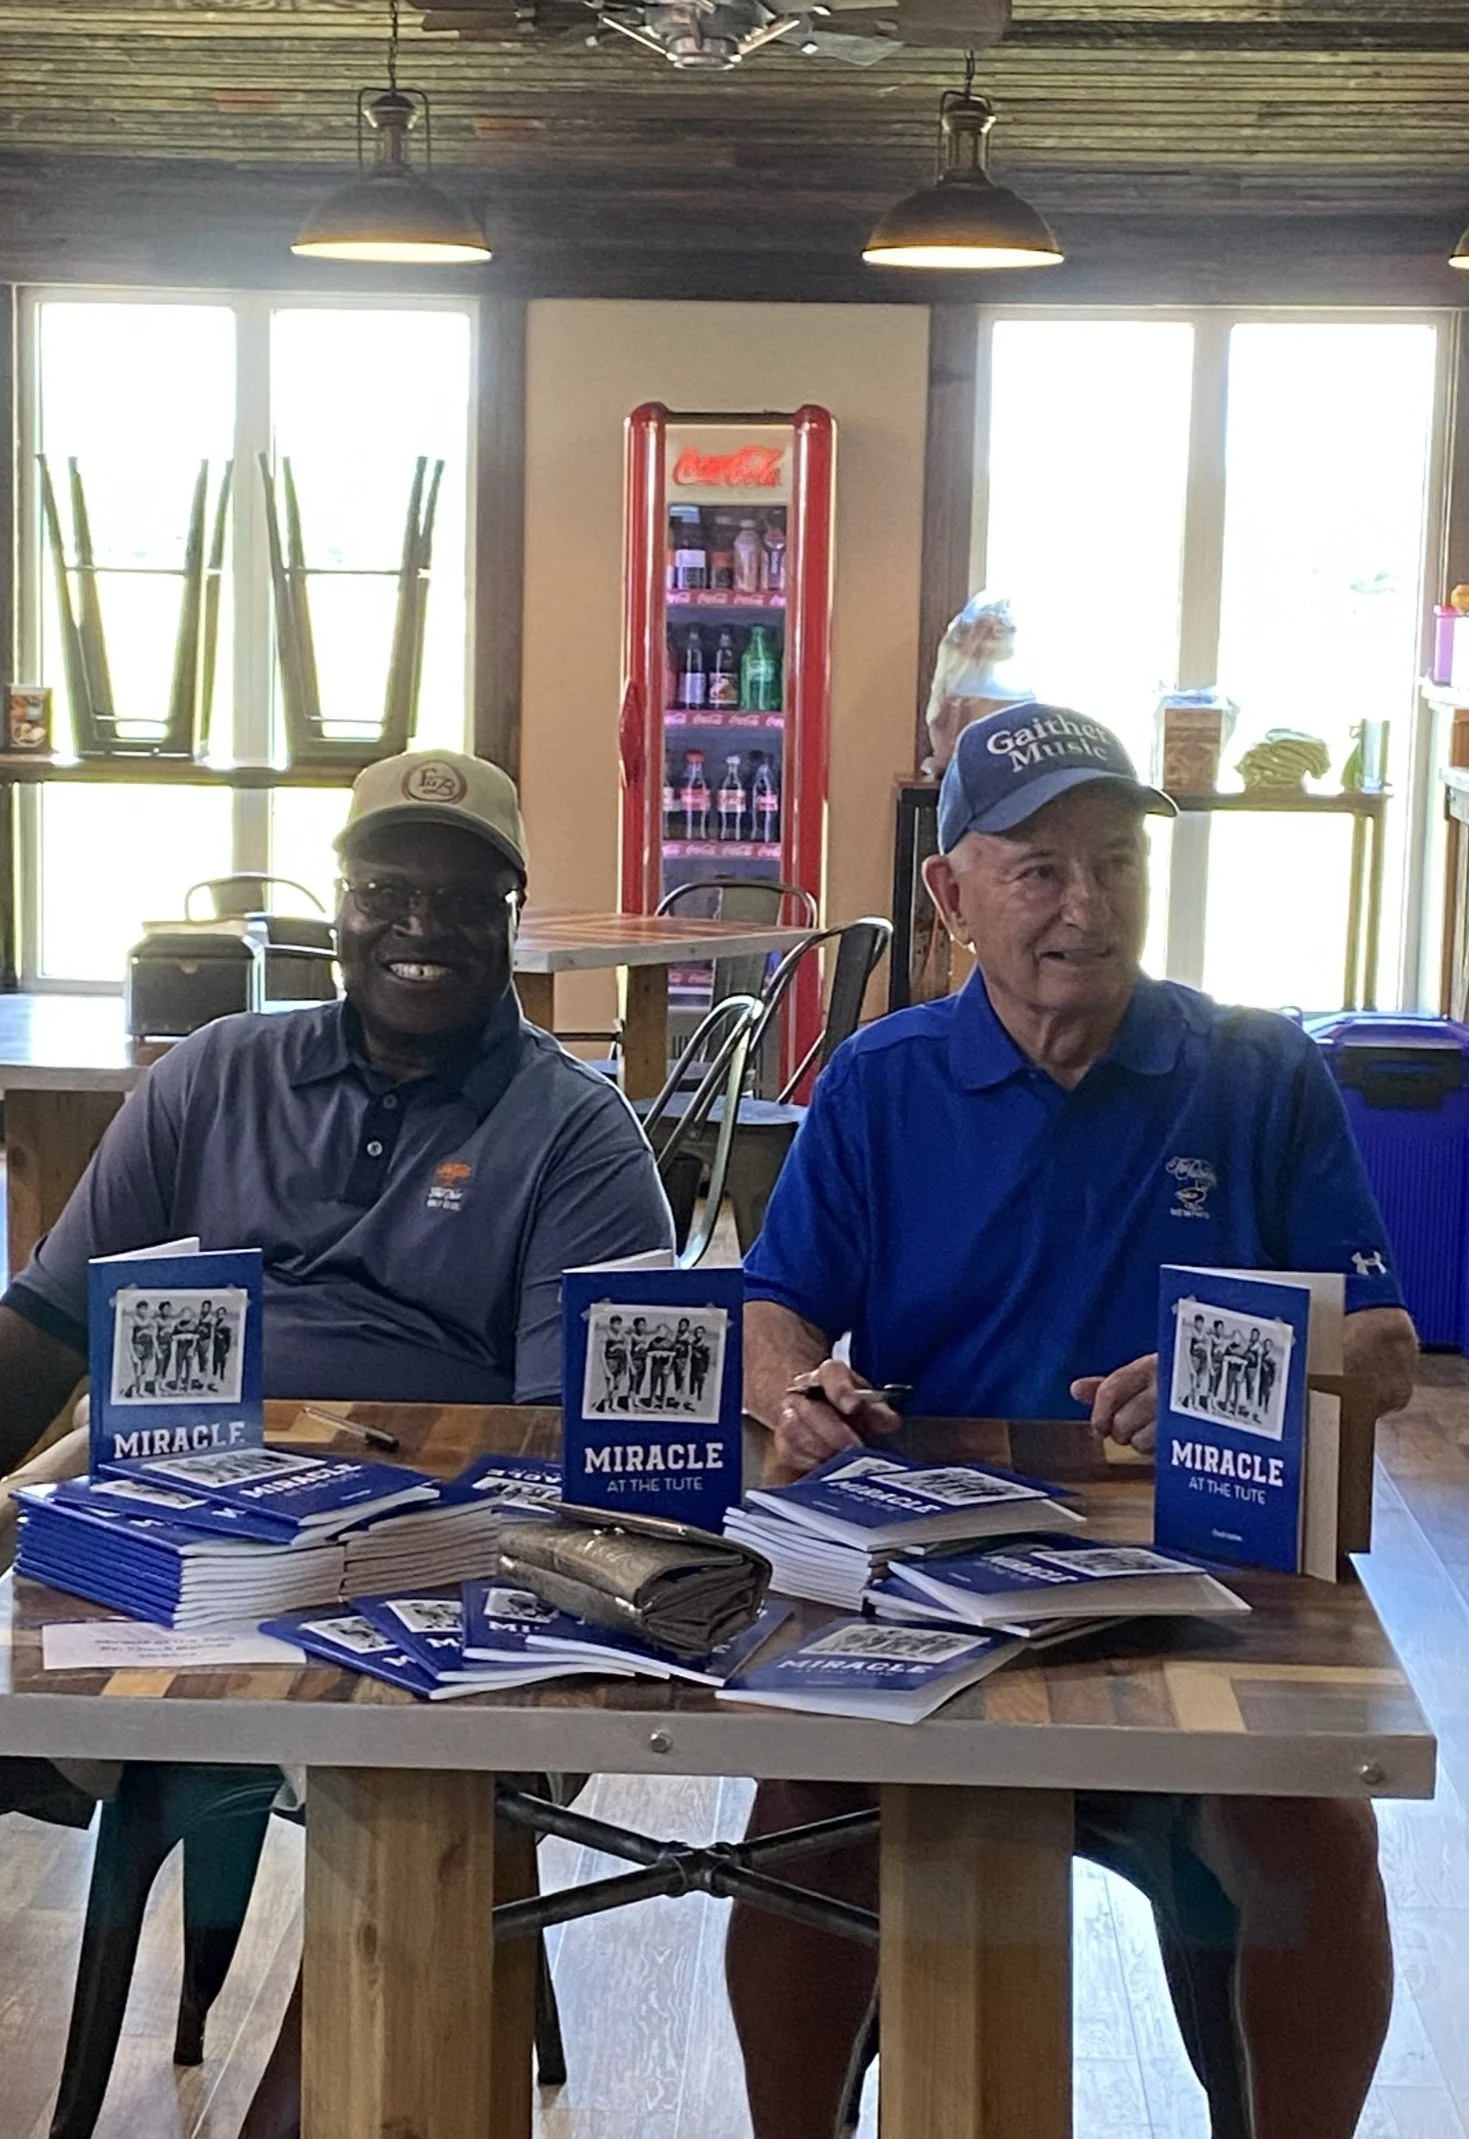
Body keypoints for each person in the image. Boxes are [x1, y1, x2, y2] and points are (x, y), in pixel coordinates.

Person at [729, 704, 1417, 2139]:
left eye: (1114, 864)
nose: (1084, 908)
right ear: (953, 893)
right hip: (930, 1575)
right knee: (802, 1818)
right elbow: (769, 1307)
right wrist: (799, 1388)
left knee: (1313, 1829)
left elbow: (1389, 1342)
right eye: (1038, 868)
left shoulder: (1258, 1068)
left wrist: (1254, 1355)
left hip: (1204, 1571)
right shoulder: (881, 1081)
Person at [0, 747, 674, 2132]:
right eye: (384, 887)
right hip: (175, 1526)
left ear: (510, 918)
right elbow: (46, 1329)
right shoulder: (212, 1074)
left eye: (460, 896)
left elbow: (565, 1460)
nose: (418, 924)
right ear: (338, 903)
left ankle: (307, 2112)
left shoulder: (579, 1137)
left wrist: (359, 1469)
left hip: (434, 1552)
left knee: (436, 1796)